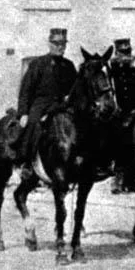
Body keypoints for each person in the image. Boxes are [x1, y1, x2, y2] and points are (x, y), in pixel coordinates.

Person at [13, 28, 93, 179]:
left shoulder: (68, 66)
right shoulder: (38, 64)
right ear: (49, 44)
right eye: (56, 43)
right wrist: (23, 113)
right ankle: (26, 164)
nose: (60, 47)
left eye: (63, 44)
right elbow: (25, 90)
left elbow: (75, 89)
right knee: (33, 125)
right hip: (41, 106)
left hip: (62, 106)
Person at [109, 38, 135, 194]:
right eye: (123, 53)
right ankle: (116, 177)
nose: (127, 56)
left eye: (128, 52)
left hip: (134, 112)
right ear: (116, 53)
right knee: (120, 138)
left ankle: (133, 178)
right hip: (118, 113)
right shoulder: (112, 72)